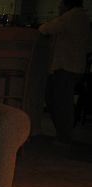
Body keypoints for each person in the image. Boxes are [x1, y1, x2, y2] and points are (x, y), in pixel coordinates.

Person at [39, 0, 90, 144]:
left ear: (67, 5)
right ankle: (63, 135)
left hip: (67, 67)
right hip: (70, 66)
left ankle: (64, 137)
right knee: (56, 100)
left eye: (61, 5)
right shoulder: (80, 17)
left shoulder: (72, 17)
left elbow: (46, 29)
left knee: (61, 103)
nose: (59, 7)